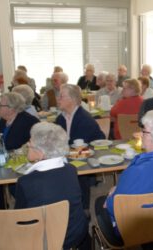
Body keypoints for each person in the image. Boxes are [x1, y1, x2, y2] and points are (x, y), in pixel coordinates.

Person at [94, 109, 153, 247]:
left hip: (131, 228)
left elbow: (115, 207)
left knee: (99, 202)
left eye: (144, 131)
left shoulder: (139, 170)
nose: (140, 134)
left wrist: (111, 196)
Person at [14, 122, 90, 250]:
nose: (27, 144)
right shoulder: (71, 170)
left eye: (30, 142)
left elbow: (20, 219)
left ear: (41, 153)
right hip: (74, 235)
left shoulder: (25, 182)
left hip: (44, 242)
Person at [55, 84, 105, 213]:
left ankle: (84, 209)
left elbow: (80, 145)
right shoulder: (62, 117)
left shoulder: (84, 118)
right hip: (73, 154)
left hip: (90, 155)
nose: (57, 98)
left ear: (72, 99)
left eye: (61, 96)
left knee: (75, 170)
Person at [0, 92, 40, 209]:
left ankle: (24, 210)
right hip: (5, 160)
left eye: (0, 105)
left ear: (11, 108)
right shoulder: (3, 120)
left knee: (13, 186)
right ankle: (0, 209)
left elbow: (15, 145)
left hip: (22, 164)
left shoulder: (28, 121)